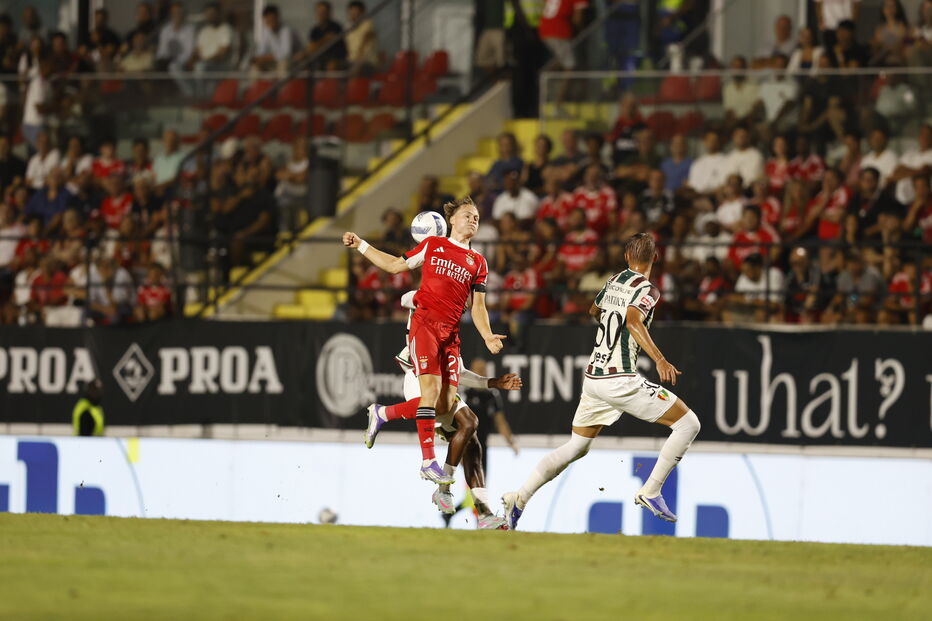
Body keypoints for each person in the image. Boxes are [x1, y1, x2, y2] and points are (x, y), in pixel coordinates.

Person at [502, 233, 701, 529]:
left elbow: (594, 310)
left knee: (576, 447)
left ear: (626, 258)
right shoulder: (648, 289)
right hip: (620, 380)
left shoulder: (613, 280)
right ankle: (651, 489)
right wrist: (659, 359)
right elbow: (633, 320)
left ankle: (518, 499)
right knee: (688, 424)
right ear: (655, 258)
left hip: (594, 377)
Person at [344, 197, 505, 484]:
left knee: (443, 406)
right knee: (429, 395)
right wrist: (361, 245)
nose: (473, 220)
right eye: (468, 215)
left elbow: (478, 306)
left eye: (477, 217)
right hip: (425, 327)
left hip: (451, 337)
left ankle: (382, 413)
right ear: (451, 221)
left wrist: (488, 335)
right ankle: (428, 462)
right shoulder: (434, 246)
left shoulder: (478, 262)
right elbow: (394, 266)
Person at [365, 291, 521, 528]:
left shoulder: (451, 329)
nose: (465, 306)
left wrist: (494, 382)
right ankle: (384, 414)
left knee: (471, 432)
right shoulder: (432, 303)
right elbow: (405, 299)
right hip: (418, 375)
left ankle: (482, 511)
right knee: (441, 406)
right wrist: (427, 297)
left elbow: (460, 371)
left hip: (440, 376)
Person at [891, 124, 932, 206]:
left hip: (922, 203)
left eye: (928, 135)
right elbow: (895, 173)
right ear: (918, 137)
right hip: (900, 202)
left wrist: (905, 171)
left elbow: (925, 172)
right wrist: (917, 171)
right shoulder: (910, 154)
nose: (925, 137)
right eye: (922, 134)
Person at [252, 5, 301, 72]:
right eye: (267, 19)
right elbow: (261, 51)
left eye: (272, 19)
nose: (269, 21)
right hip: (276, 62)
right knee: (255, 67)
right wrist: (259, 59)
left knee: (283, 65)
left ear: (277, 17)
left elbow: (286, 54)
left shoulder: (286, 30)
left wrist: (267, 58)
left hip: (295, 63)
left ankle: (283, 83)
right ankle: (254, 83)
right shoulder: (267, 31)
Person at [686, 130, 729, 195]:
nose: (711, 142)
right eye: (708, 140)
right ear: (704, 142)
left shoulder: (725, 160)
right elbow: (691, 183)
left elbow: (724, 183)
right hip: (695, 195)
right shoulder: (698, 162)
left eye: (714, 140)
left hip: (714, 195)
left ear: (718, 142)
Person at [306, 1, 346, 70]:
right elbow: (311, 47)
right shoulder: (314, 30)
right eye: (319, 12)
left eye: (323, 12)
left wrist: (318, 44)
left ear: (329, 13)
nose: (321, 14)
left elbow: (340, 50)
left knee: (331, 65)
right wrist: (325, 40)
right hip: (319, 58)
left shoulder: (336, 27)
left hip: (336, 58)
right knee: (304, 64)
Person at [345, 1, 379, 76]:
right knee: (333, 66)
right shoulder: (348, 28)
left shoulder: (368, 24)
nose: (354, 15)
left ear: (362, 13)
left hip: (367, 62)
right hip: (351, 61)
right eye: (352, 13)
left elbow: (365, 40)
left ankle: (352, 87)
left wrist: (357, 61)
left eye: (357, 13)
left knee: (356, 69)